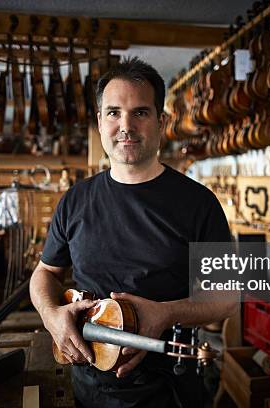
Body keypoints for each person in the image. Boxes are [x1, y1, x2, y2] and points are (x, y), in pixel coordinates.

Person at [29, 57, 237, 408]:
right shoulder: (74, 200)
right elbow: (45, 273)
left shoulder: (200, 203)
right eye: (113, 113)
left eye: (140, 112)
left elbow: (229, 298)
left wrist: (166, 313)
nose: (125, 126)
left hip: (167, 388)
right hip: (88, 385)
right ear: (99, 121)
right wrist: (51, 316)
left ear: (162, 121)